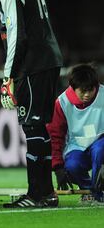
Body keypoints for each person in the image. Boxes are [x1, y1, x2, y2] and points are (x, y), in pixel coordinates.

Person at [0, 0, 63, 208]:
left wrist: (8, 76)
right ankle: (45, 192)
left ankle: (38, 194)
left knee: (32, 126)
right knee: (39, 126)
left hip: (33, 65)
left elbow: (17, 33)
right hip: (48, 59)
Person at [47, 64, 104, 204]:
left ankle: (97, 193)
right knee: (72, 166)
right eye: (83, 91)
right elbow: (55, 136)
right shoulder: (62, 103)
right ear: (73, 88)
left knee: (99, 149)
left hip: (101, 144)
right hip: (76, 147)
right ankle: (91, 192)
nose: (87, 95)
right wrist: (58, 167)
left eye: (91, 90)